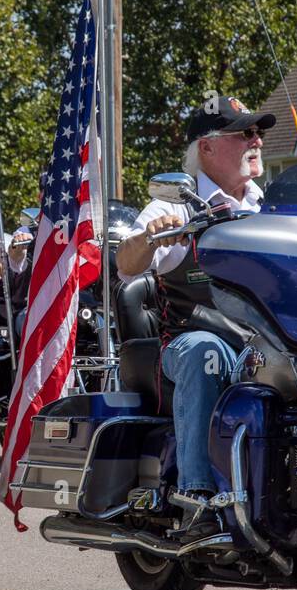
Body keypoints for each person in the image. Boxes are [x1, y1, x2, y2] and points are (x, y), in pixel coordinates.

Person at [114, 94, 274, 537]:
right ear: (206, 147)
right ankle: (198, 500)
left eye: (258, 132)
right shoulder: (177, 207)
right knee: (208, 354)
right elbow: (126, 264)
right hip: (190, 339)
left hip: (268, 345)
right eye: (244, 132)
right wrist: (150, 238)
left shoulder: (272, 209)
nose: (256, 140)